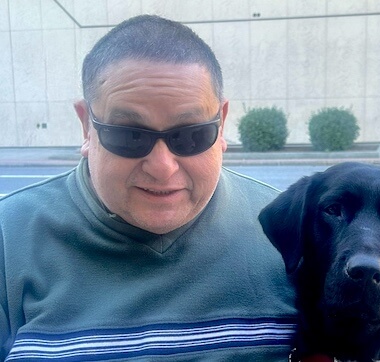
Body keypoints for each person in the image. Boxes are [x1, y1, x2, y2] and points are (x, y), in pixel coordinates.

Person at [0, 15, 297, 361]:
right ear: (86, 126)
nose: (162, 167)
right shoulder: (9, 239)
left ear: (222, 122)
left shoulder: (289, 230)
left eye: (190, 135)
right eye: (129, 136)